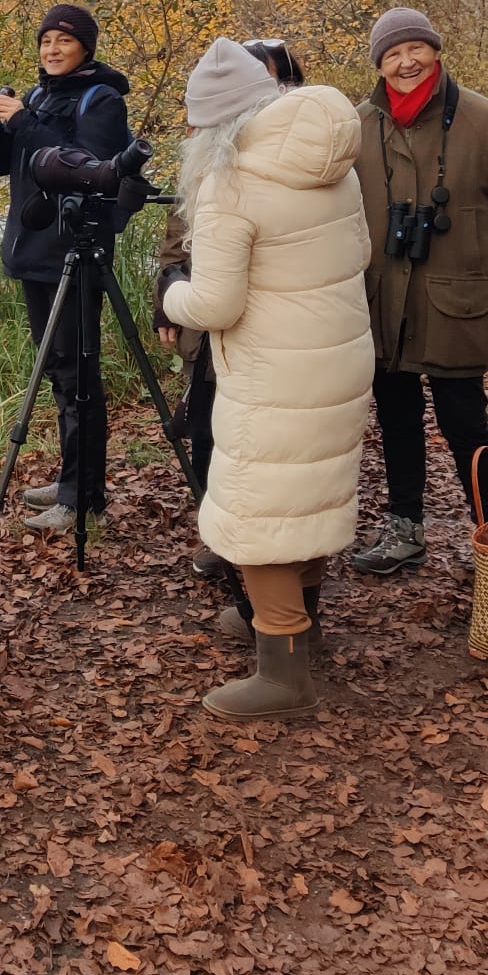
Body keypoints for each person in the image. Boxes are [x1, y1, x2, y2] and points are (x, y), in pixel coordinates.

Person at [161, 40, 374, 718]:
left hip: (274, 366)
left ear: (212, 124)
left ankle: (282, 667)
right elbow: (362, 250)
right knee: (305, 489)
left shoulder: (232, 182)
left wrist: (171, 292)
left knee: (261, 502)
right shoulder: (332, 162)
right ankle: (297, 624)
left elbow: (216, 304)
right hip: (336, 355)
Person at [350, 8, 488, 574]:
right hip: (382, 300)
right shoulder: (356, 125)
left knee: (466, 422)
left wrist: (467, 265)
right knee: (396, 419)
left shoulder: (484, 120)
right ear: (379, 63)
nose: (406, 62)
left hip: (456, 303)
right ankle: (404, 531)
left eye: (416, 49)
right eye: (392, 53)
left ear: (435, 50)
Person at [0, 4, 132, 534]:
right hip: (35, 254)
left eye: (64, 40)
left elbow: (87, 170)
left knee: (78, 372)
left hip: (75, 253)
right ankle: (71, 478)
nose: (52, 50)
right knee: (58, 371)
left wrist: (22, 121)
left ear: (85, 47)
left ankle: (81, 495)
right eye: (45, 41)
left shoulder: (100, 100)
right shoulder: (38, 97)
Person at [156, 35, 306, 597]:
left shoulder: (295, 159)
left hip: (260, 331)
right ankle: (220, 533)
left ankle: (269, 582)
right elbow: (178, 235)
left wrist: (180, 297)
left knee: (260, 441)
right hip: (208, 325)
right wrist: (165, 300)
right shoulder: (207, 154)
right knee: (206, 426)